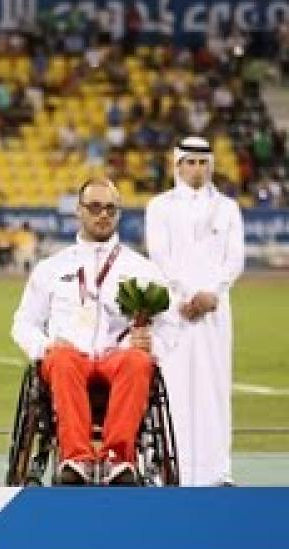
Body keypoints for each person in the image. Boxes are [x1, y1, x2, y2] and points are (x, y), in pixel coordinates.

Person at [12, 177, 175, 486]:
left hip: (119, 360)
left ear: (119, 214)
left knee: (138, 360)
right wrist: (44, 346)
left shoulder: (142, 268)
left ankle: (118, 460)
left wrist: (153, 343)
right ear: (79, 211)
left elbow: (171, 322)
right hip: (68, 360)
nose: (103, 215)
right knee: (62, 358)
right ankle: (76, 459)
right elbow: (24, 322)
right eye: (95, 207)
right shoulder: (52, 267)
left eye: (111, 209)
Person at [144, 137, 245, 486]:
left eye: (203, 163)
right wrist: (188, 295)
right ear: (177, 165)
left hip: (215, 311)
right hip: (175, 311)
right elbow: (158, 254)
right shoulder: (159, 207)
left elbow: (234, 259)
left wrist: (211, 294)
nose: (197, 169)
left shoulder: (228, 208)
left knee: (216, 388)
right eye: (190, 162)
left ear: (211, 166)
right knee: (172, 387)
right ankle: (170, 468)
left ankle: (218, 471)